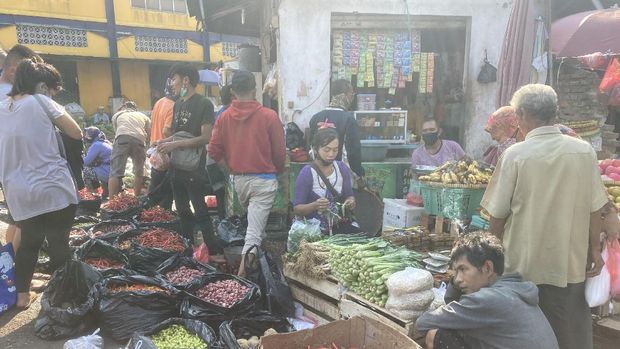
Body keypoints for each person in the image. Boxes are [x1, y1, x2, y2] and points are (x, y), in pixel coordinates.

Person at [481, 84, 608, 349]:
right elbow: (596, 208)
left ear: (523, 114)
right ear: (554, 113)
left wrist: (489, 256)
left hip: (522, 267)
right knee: (569, 335)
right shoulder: (584, 152)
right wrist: (594, 250)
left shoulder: (515, 155)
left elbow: (497, 216)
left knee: (520, 335)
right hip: (569, 265)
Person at [0, 60, 82, 309]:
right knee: (59, 242)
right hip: (52, 186)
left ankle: (22, 297)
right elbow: (76, 132)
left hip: (18, 191)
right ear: (43, 86)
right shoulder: (42, 101)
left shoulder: (2, 106)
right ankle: (61, 296)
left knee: (29, 244)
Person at [416, 232, 559, 349]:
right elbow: (454, 307)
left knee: (435, 335)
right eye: (455, 272)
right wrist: (455, 281)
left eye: (463, 269)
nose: (458, 279)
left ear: (487, 268)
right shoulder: (513, 290)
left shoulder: (488, 299)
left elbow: (423, 323)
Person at [208, 70, 286, 276]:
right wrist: (278, 170)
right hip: (264, 181)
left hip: (239, 181)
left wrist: (230, 169)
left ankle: (256, 271)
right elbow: (279, 152)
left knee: (255, 228)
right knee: (253, 233)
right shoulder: (269, 116)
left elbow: (213, 151)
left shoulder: (223, 118)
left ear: (233, 91)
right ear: (255, 89)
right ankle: (240, 278)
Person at [156, 63, 221, 256]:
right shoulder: (178, 104)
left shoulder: (204, 104)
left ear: (186, 80)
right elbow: (178, 135)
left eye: (174, 79)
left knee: (200, 209)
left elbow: (205, 138)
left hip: (194, 166)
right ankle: (188, 249)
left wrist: (174, 145)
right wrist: (163, 142)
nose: (172, 84)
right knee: (182, 209)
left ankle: (215, 251)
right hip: (176, 166)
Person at [0, 44, 43, 255]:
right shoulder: (10, 95)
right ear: (12, 70)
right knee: (26, 221)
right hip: (17, 165)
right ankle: (13, 275)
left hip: (9, 167)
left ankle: (7, 266)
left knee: (16, 219)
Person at [293, 127, 358, 234]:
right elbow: (297, 208)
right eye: (326, 150)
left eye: (335, 150)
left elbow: (349, 195)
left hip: (339, 227)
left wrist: (350, 201)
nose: (331, 154)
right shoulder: (307, 173)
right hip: (314, 231)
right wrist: (315, 205)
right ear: (315, 149)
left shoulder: (341, 169)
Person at [309, 79, 365, 179]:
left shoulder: (315, 118)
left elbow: (311, 148)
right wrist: (359, 174)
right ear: (344, 95)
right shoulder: (348, 119)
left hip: (318, 175)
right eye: (351, 93)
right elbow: (353, 151)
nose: (352, 97)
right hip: (341, 176)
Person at [109, 101, 150, 197]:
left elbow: (117, 132)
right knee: (138, 172)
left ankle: (111, 201)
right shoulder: (143, 116)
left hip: (122, 139)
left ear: (124, 107)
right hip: (139, 140)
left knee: (115, 172)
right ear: (136, 109)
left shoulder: (117, 115)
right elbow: (148, 134)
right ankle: (137, 197)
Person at [147, 78, 176, 210]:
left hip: (155, 152)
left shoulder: (159, 102)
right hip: (165, 152)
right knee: (165, 193)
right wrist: (177, 142)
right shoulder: (173, 105)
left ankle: (151, 220)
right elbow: (166, 130)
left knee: (155, 189)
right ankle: (163, 221)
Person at [83, 126, 112, 198]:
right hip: (112, 171)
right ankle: (106, 191)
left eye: (87, 135)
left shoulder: (96, 145)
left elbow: (86, 162)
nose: (85, 137)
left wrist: (81, 156)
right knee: (96, 167)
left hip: (107, 172)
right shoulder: (105, 142)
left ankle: (93, 194)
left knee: (86, 170)